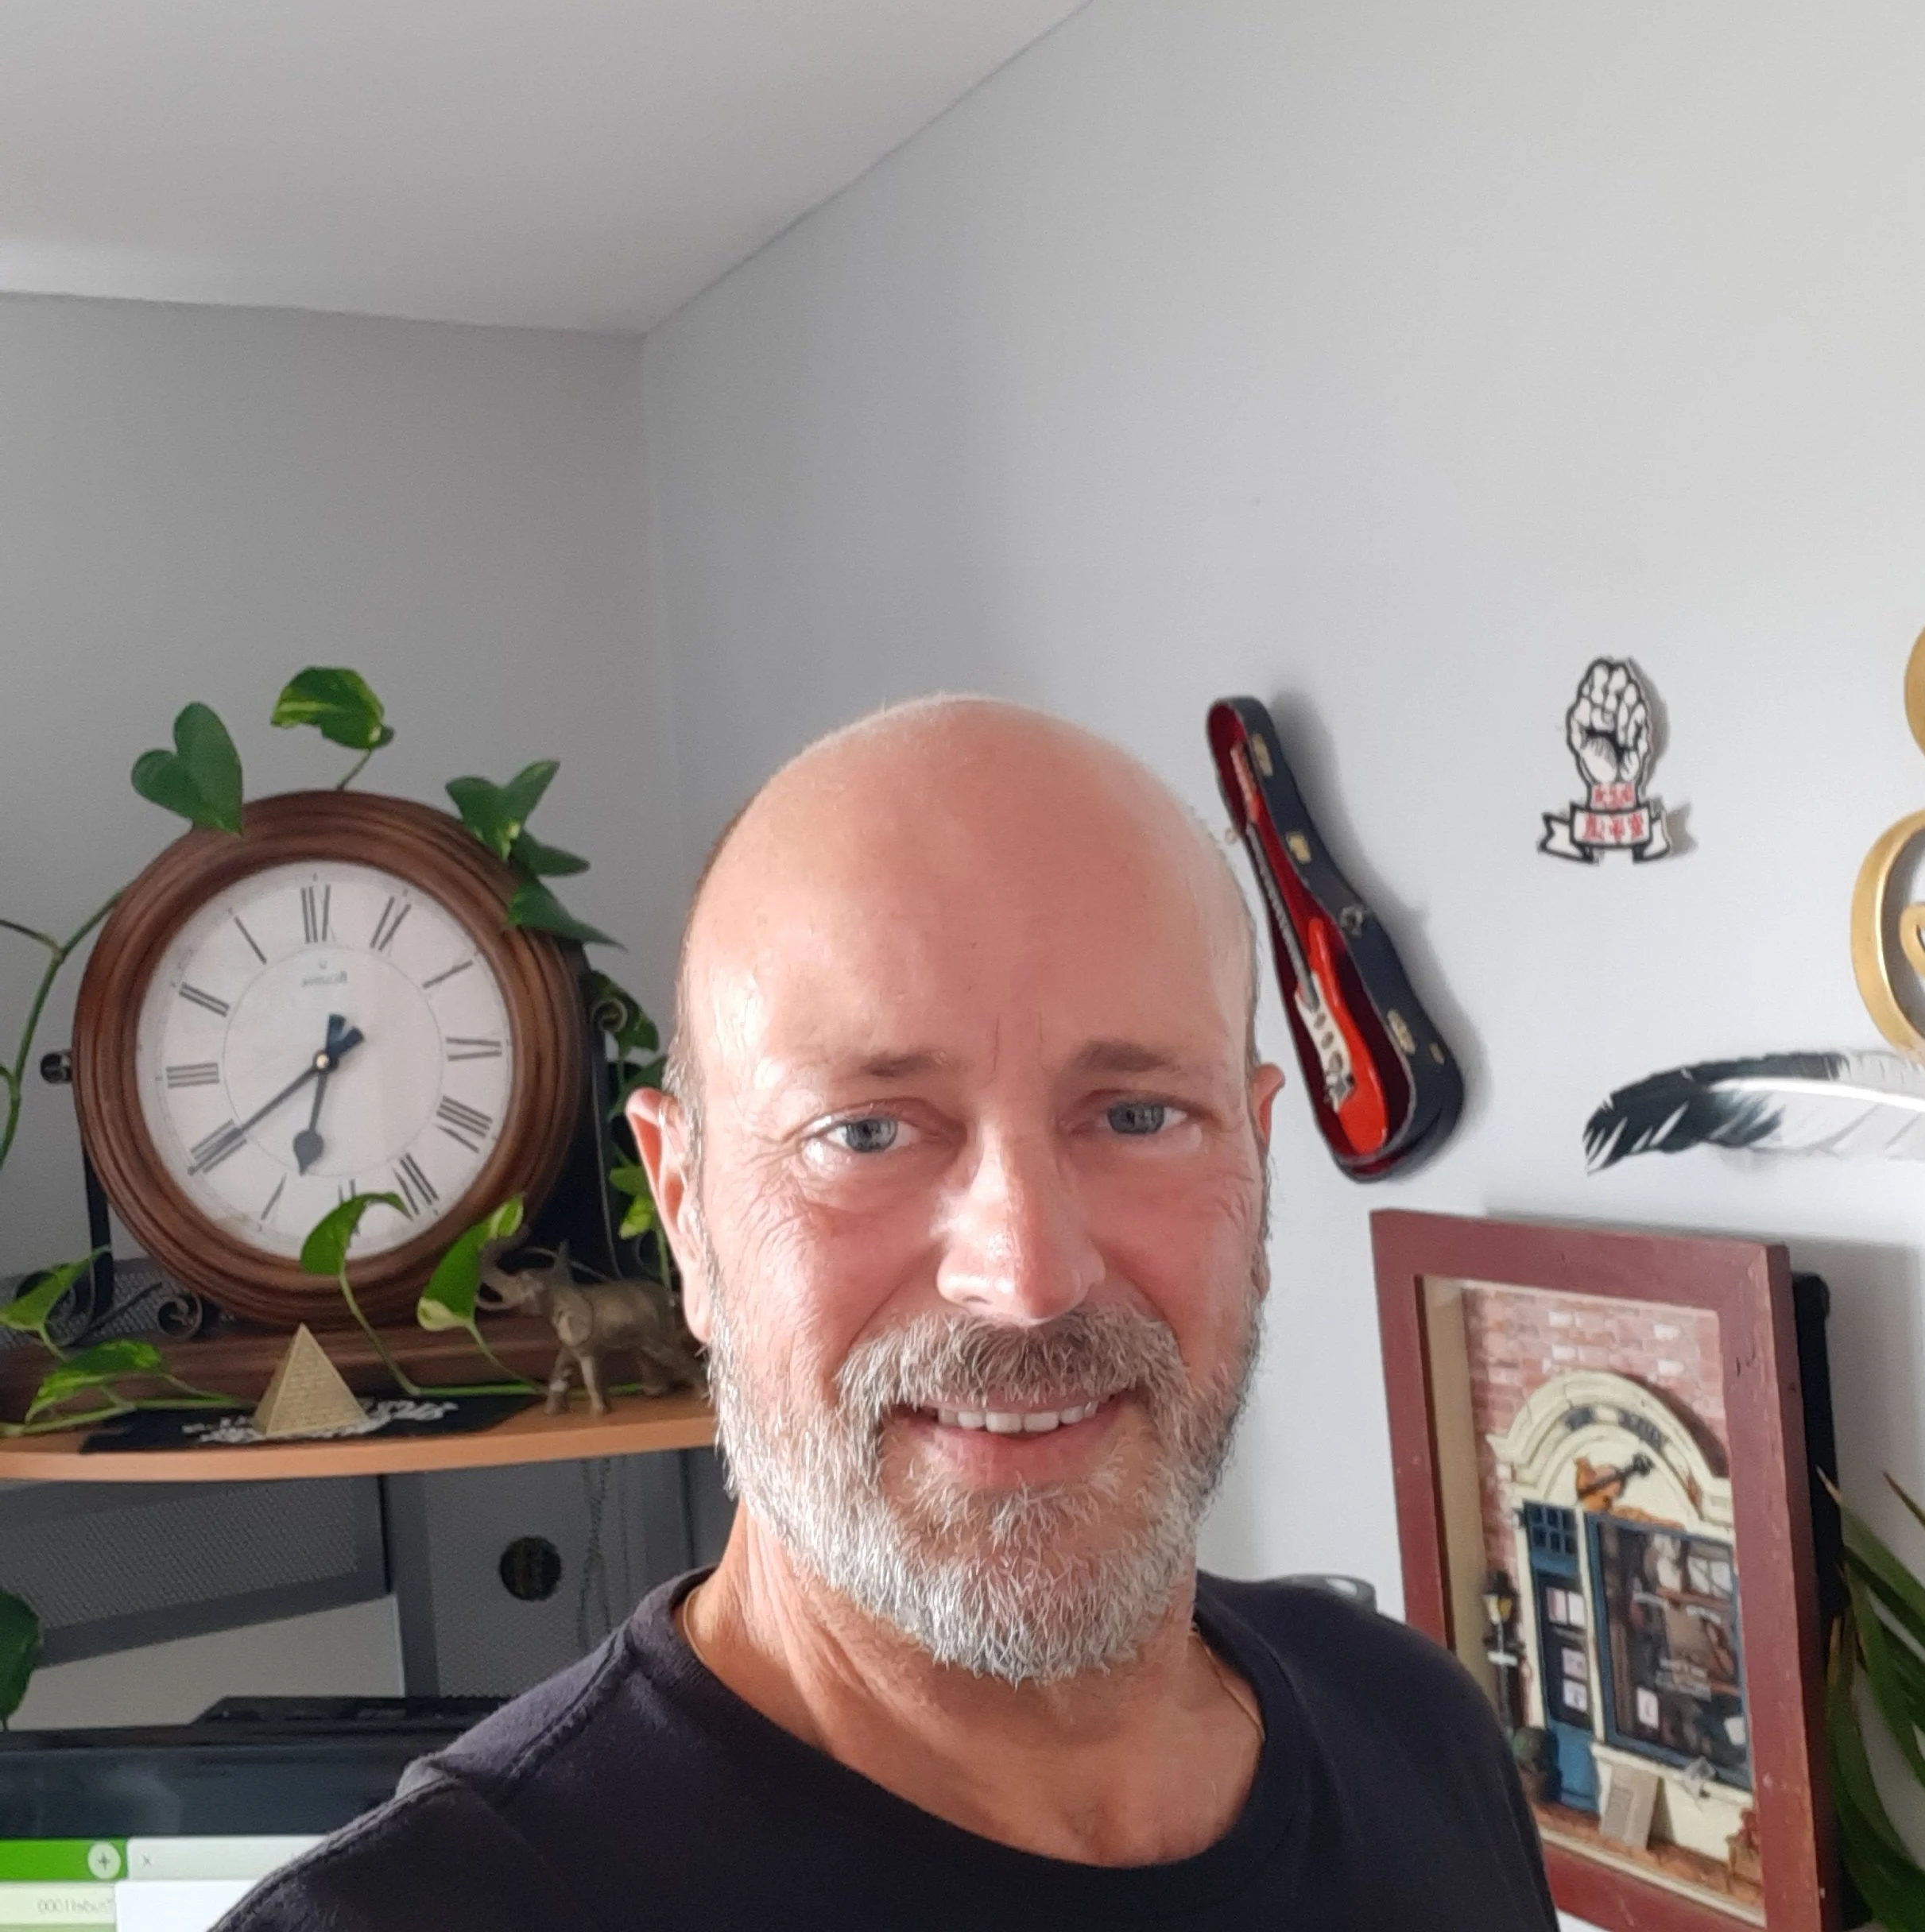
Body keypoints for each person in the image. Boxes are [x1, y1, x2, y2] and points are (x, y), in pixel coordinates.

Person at [222, 699, 1555, 1930]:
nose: (1028, 1277)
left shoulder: (1417, 1732)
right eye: (865, 1132)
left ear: (1255, 1161)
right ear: (685, 1208)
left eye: (1139, 1115)